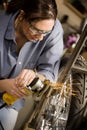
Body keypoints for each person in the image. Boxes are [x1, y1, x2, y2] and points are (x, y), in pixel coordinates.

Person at [0, 0, 64, 129]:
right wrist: (3, 85)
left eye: (45, 33)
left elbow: (50, 72)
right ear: (22, 16)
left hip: (10, 104)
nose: (41, 38)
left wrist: (36, 76)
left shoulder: (53, 30)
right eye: (36, 29)